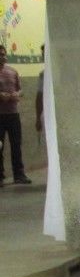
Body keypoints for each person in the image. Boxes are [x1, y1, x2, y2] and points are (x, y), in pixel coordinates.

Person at [0, 44, 31, 185]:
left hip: (13, 114)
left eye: (4, 54)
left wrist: (16, 94)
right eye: (0, 54)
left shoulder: (12, 71)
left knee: (16, 144)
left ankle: (19, 174)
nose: (3, 56)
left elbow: (21, 90)